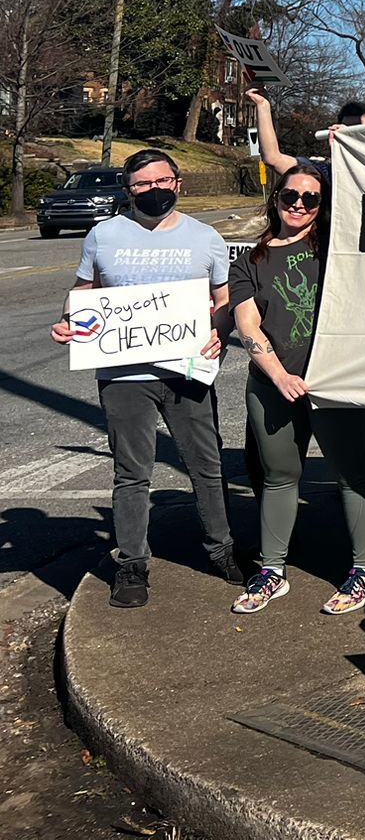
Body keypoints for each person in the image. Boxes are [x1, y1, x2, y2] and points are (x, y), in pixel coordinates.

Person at [49, 149, 237, 607]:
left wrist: (220, 334)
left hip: (188, 371)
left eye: (162, 181)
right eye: (143, 185)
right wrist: (67, 320)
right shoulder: (103, 235)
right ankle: (132, 564)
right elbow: (85, 290)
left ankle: (223, 550)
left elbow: (224, 301)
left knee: (206, 467)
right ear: (128, 190)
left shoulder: (206, 237)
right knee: (131, 473)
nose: (154, 190)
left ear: (178, 182)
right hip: (123, 375)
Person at [246, 86, 365, 551]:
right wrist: (265, 108)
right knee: (278, 465)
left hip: (350, 346)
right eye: (346, 131)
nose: (302, 205)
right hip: (288, 359)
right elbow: (273, 156)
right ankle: (274, 552)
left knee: (359, 461)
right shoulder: (318, 176)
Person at [227, 161, 365, 615]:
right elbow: (247, 322)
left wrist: (349, 150)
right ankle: (272, 570)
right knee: (279, 477)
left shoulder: (335, 244)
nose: (298, 204)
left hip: (335, 381)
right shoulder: (250, 260)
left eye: (310, 198)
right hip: (272, 384)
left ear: (322, 205)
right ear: (275, 199)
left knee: (353, 474)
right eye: (290, 196)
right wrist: (278, 375)